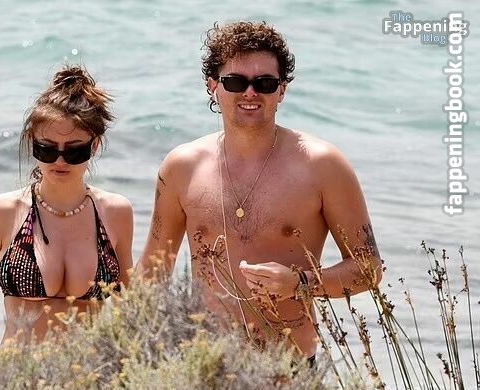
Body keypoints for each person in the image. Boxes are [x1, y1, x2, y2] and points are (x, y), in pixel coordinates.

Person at [137, 22, 382, 363]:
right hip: (202, 367)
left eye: (265, 83)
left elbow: (368, 269)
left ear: (281, 91)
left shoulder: (322, 165)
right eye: (236, 82)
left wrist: (299, 283)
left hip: (289, 369)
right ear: (213, 86)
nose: (250, 93)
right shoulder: (181, 167)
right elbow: (153, 270)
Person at [0, 65, 134, 348]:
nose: (60, 160)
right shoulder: (0, 212)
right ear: (32, 142)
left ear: (94, 146)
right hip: (17, 370)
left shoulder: (116, 212)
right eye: (47, 149)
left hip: (90, 372)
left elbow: (132, 310)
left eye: (74, 150)